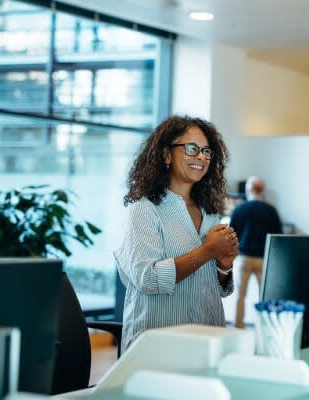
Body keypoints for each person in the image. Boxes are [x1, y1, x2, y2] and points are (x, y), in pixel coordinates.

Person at [114, 115, 239, 352]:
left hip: (207, 338)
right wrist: (208, 251)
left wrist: (223, 265)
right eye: (192, 149)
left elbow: (216, 289)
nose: (201, 157)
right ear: (166, 154)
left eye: (206, 151)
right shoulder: (144, 209)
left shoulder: (209, 212)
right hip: (157, 344)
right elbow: (147, 279)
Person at [229, 176, 283, 328]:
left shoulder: (239, 209)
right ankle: (264, 325)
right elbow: (277, 236)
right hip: (263, 260)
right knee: (264, 295)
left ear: (248, 190)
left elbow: (232, 234)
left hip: (244, 259)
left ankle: (238, 325)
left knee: (240, 295)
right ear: (262, 190)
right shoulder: (271, 211)